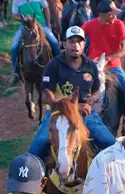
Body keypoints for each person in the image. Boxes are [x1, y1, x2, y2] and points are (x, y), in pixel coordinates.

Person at [28, 26, 117, 159]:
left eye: (79, 42)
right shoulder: (53, 65)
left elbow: (97, 91)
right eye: (71, 41)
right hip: (57, 114)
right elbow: (46, 95)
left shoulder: (90, 65)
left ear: (84, 44)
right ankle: (29, 170)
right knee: (38, 145)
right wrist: (74, 106)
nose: (76, 45)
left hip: (86, 114)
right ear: (64, 44)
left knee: (110, 143)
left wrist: (93, 99)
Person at [9, 0, 61, 85]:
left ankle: (60, 67)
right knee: (13, 47)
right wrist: (23, 18)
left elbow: (46, 9)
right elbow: (14, 15)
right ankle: (16, 72)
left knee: (54, 42)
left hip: (41, 24)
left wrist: (48, 24)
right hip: (24, 26)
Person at [82, 0, 125, 97]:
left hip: (114, 66)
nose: (114, 16)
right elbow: (78, 36)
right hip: (94, 65)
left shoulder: (119, 24)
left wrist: (108, 58)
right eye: (110, 14)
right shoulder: (90, 25)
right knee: (80, 89)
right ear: (101, 15)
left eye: (115, 13)